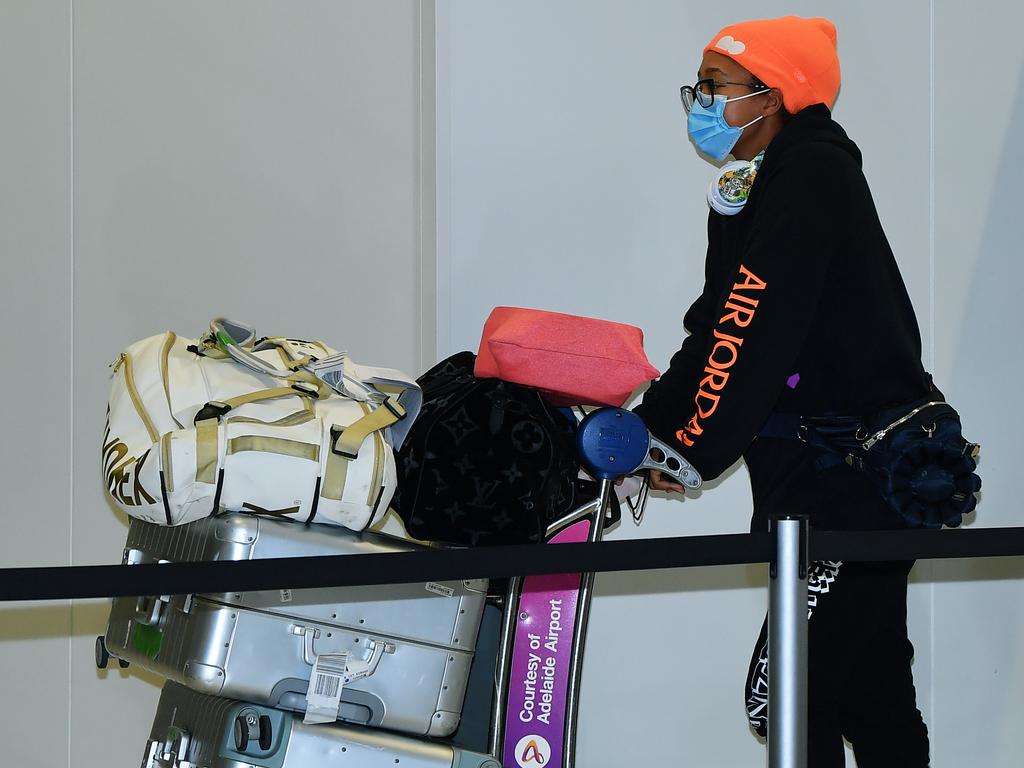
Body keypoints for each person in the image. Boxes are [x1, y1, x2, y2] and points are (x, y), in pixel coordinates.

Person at [632, 16, 932, 767]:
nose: (701, 101)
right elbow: (716, 326)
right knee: (870, 693)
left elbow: (752, 331)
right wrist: (649, 433)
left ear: (775, 94)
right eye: (697, 86)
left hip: (853, 481)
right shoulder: (750, 186)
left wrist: (687, 449)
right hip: (818, 481)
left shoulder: (812, 173)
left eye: (716, 85)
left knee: (785, 694)